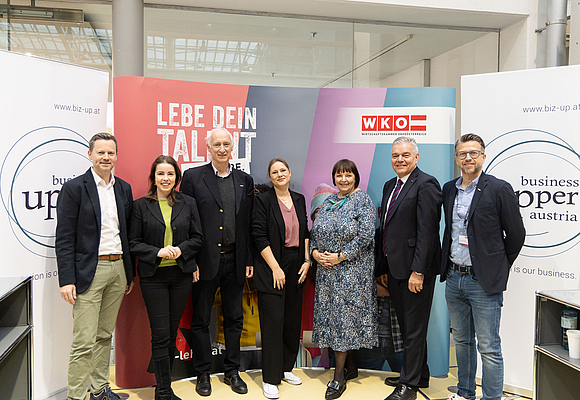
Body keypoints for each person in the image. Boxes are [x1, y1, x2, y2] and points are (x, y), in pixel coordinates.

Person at [441, 134, 525, 400]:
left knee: (489, 347)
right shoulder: (449, 189)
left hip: (483, 281)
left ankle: (491, 397)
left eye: (474, 153)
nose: (468, 158)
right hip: (454, 277)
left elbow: (516, 234)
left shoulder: (498, 188)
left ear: (483, 156)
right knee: (463, 342)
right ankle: (465, 392)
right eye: (463, 154)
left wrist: (499, 265)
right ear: (456, 159)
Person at [55, 132, 134, 400]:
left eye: (110, 152)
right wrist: (66, 279)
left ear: (116, 156)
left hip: (118, 270)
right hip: (89, 272)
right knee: (84, 342)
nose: (105, 157)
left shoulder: (123, 188)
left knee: (103, 336)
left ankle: (99, 391)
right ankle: (76, 397)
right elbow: (64, 237)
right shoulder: (75, 188)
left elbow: (128, 233)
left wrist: (129, 273)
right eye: (100, 152)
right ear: (90, 154)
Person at [180, 127, 254, 396]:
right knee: (201, 320)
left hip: (235, 261)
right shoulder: (192, 178)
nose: (222, 149)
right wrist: (191, 261)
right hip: (204, 262)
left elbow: (246, 224)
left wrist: (246, 259)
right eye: (216, 145)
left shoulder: (244, 180)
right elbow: (185, 221)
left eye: (226, 144)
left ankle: (232, 371)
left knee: (234, 318)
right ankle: (202, 373)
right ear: (208, 148)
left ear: (232, 148)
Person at [129, 155, 204, 400]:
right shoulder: (141, 205)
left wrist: (181, 249)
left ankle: (165, 386)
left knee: (172, 333)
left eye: (170, 174)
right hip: (154, 277)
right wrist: (157, 252)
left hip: (181, 274)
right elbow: (132, 243)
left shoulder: (188, 203)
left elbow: (197, 238)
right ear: (153, 178)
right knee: (160, 334)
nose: (165, 178)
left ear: (177, 177)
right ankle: (162, 392)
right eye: (161, 174)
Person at [376, 136, 442, 400]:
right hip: (394, 269)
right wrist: (382, 266)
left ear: (416, 157)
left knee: (414, 329)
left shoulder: (426, 183)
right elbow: (387, 229)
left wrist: (419, 271)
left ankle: (409, 386)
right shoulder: (390, 185)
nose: (399, 160)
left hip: (415, 271)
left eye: (405, 155)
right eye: (395, 155)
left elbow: (428, 232)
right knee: (407, 327)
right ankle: (419, 374)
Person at [310, 159, 378, 400]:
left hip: (351, 274)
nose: (343, 179)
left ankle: (338, 378)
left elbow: (366, 236)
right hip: (326, 273)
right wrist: (316, 254)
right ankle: (350, 368)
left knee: (343, 322)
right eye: (339, 175)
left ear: (355, 177)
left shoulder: (362, 201)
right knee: (332, 320)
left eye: (348, 175)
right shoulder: (329, 201)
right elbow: (314, 232)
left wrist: (340, 257)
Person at [252, 158, 311, 399]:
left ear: (289, 172)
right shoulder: (263, 200)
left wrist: (307, 261)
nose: (279, 174)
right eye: (274, 172)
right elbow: (258, 235)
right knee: (273, 323)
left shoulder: (299, 199)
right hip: (271, 267)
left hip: (297, 265)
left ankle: (286, 368)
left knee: (290, 322)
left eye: (283, 170)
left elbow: (306, 231)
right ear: (270, 176)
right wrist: (276, 268)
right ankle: (270, 378)